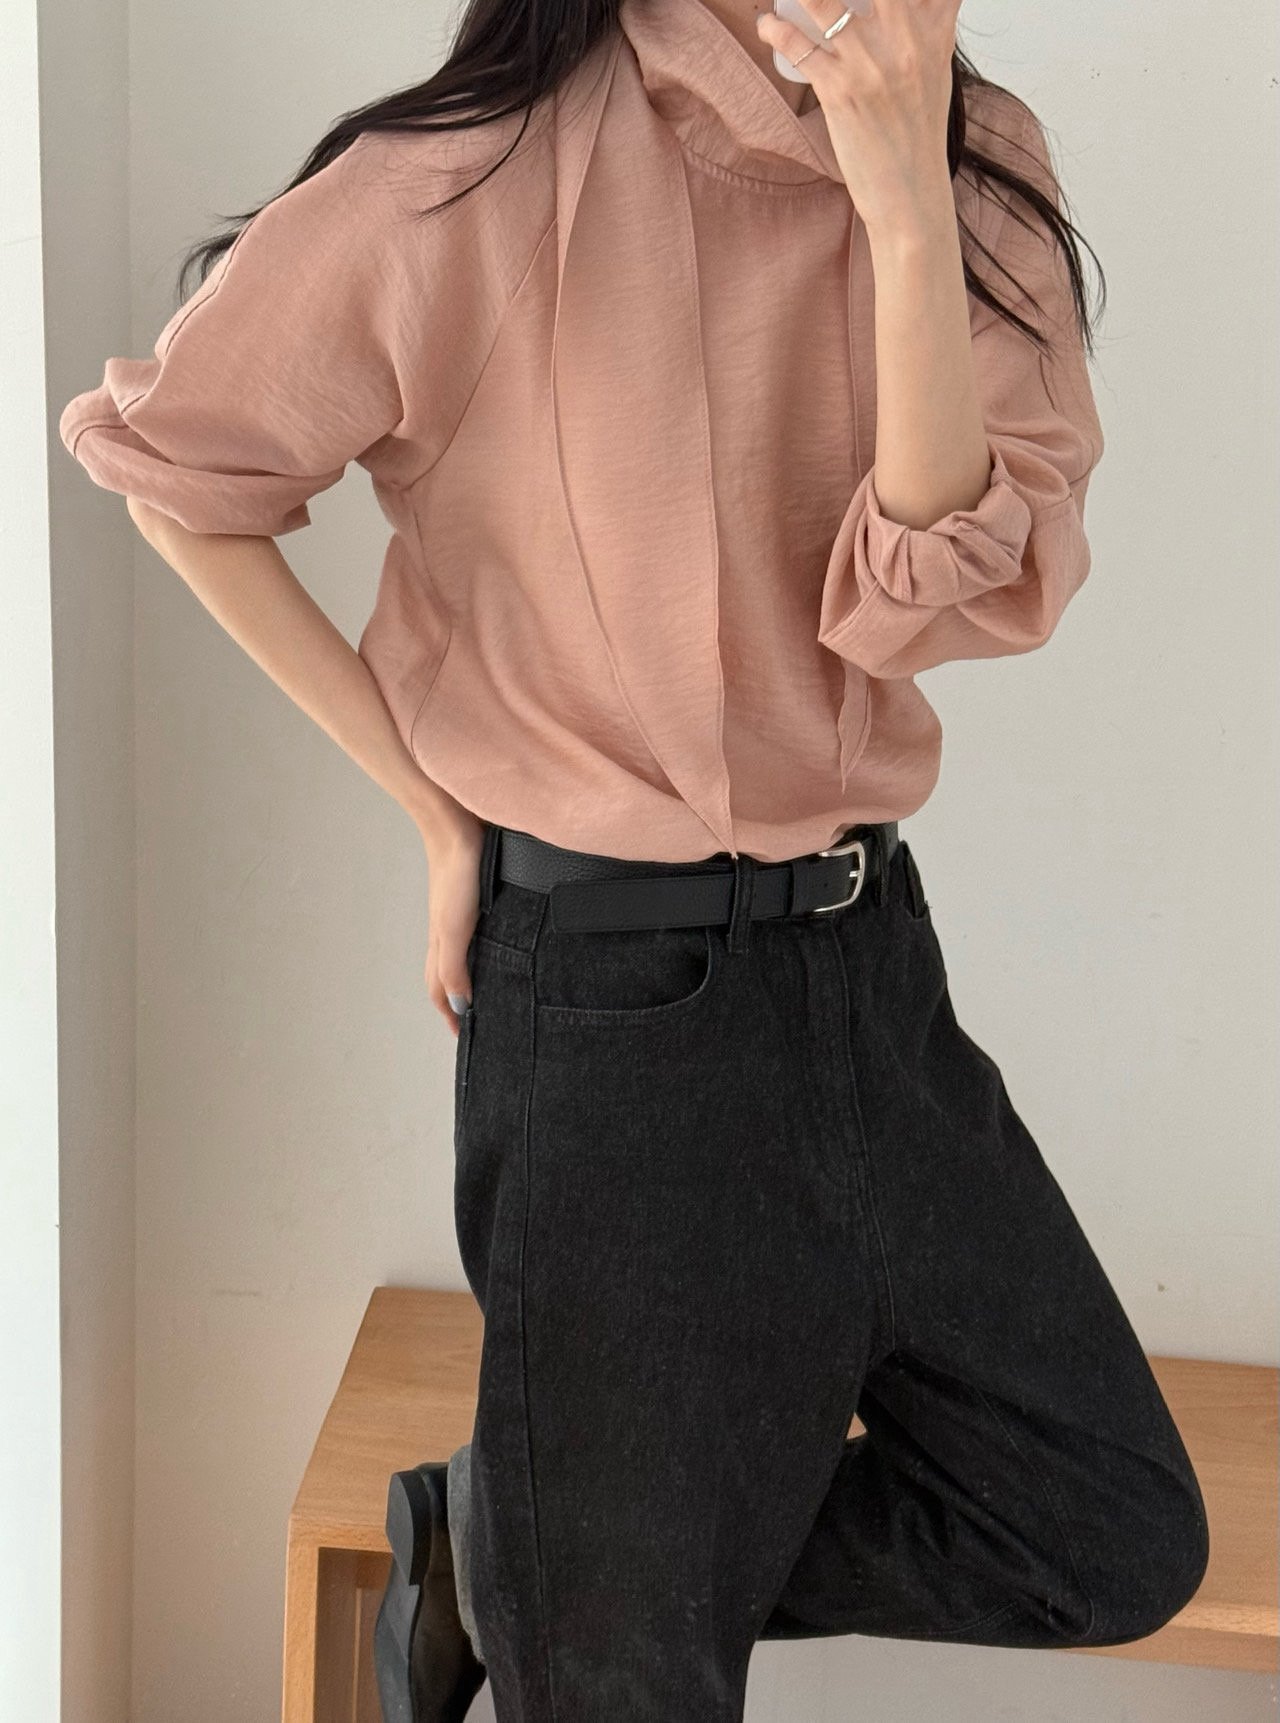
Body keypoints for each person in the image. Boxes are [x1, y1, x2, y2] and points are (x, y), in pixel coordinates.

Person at [58, 0, 1212, 1717]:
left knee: (1102, 1527)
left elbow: (928, 608)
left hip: (870, 971)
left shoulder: (977, 166)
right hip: (611, 1009)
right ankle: (551, 1564)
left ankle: (519, 1547)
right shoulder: (471, 176)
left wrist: (903, 204)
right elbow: (180, 474)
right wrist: (434, 808)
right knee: (622, 1677)